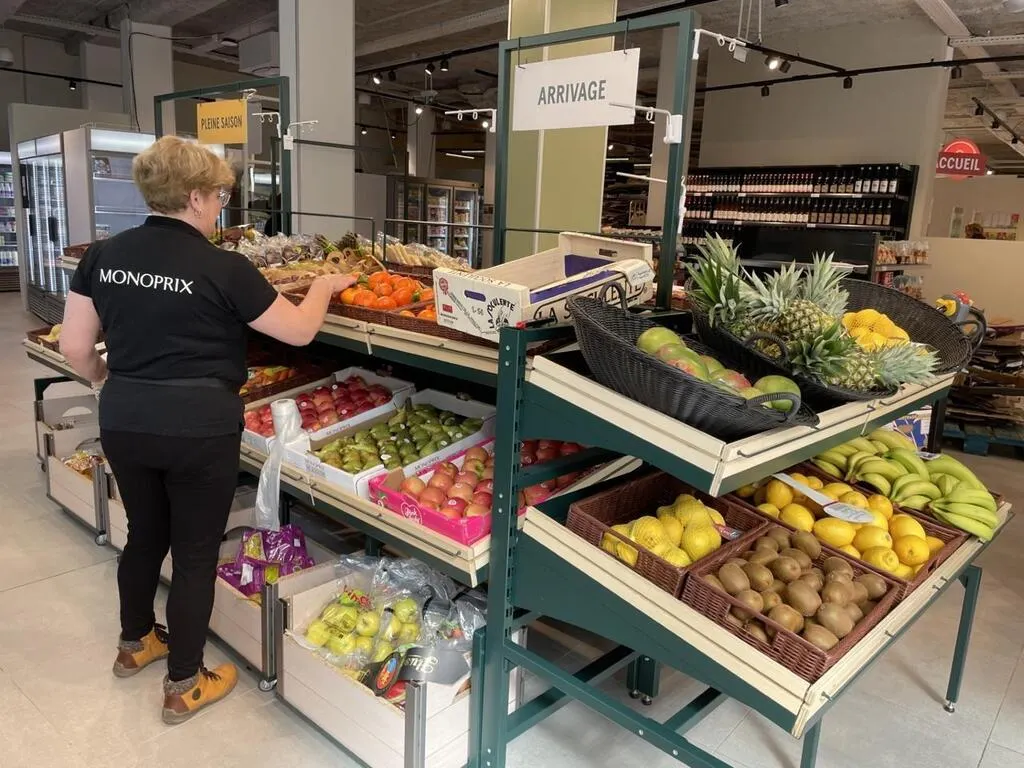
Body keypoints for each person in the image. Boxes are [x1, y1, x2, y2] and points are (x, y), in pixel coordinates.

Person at [58, 136, 356, 724]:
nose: (222, 205)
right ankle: (184, 683)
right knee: (195, 554)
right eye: (219, 194)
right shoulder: (224, 267)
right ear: (194, 197)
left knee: (144, 535)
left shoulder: (103, 255)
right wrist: (324, 286)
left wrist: (108, 382)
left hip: (126, 418)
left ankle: (135, 643)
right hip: (199, 427)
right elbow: (299, 332)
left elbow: (75, 347)